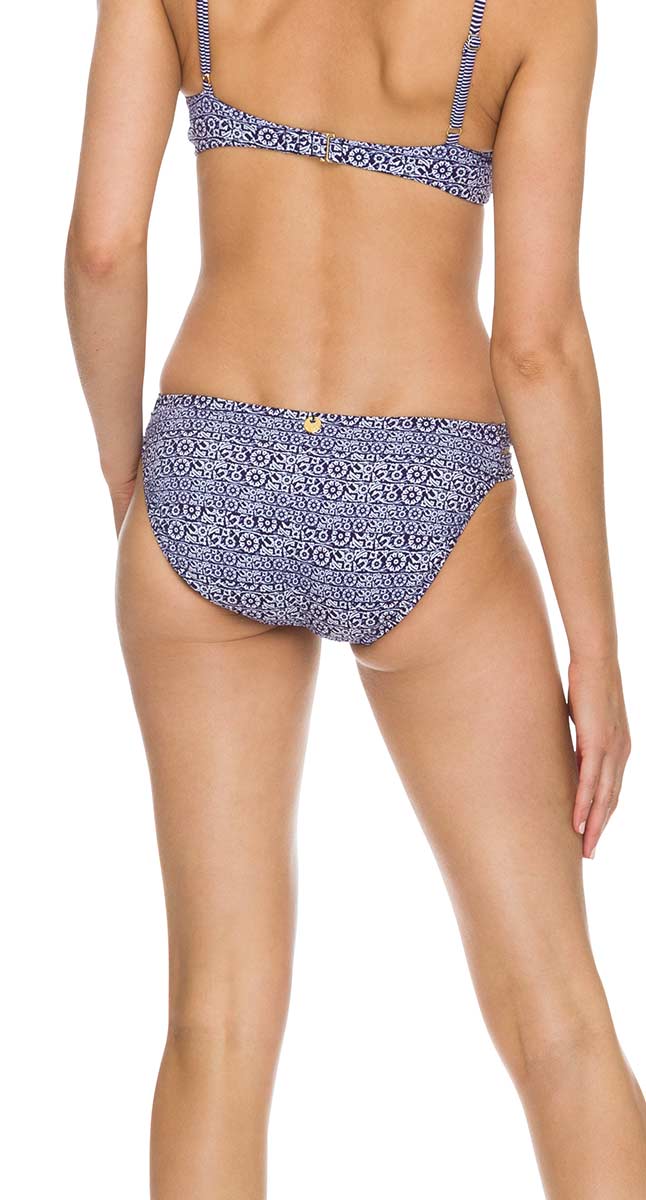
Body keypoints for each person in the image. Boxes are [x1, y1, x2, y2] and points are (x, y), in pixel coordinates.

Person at [64, 0, 646, 1195]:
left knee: (215, 1024)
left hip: (209, 456)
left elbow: (103, 250)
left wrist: (131, 478)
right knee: (558, 1026)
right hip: (425, 482)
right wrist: (592, 645)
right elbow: (535, 347)